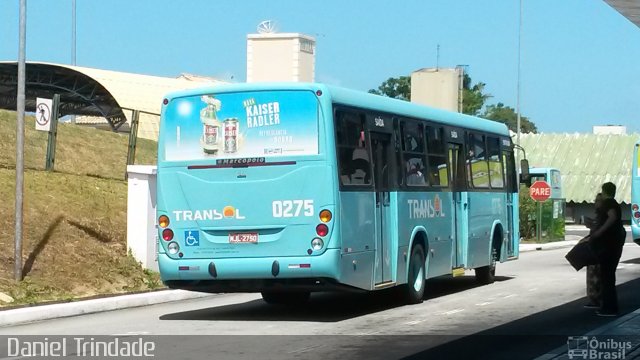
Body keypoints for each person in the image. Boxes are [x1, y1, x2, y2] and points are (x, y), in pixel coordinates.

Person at [588, 182, 625, 316]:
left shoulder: (609, 203)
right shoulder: (614, 203)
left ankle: (609, 308)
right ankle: (609, 306)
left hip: (609, 246)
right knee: (608, 277)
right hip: (613, 245)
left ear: (604, 191)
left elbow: (612, 217)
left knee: (607, 278)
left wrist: (599, 232)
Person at [582, 193, 604, 309]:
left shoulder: (603, 215)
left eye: (598, 201)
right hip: (596, 247)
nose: (596, 203)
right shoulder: (600, 215)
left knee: (595, 275)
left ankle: (596, 299)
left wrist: (592, 226)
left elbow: (600, 229)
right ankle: (594, 298)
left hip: (598, 248)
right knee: (593, 274)